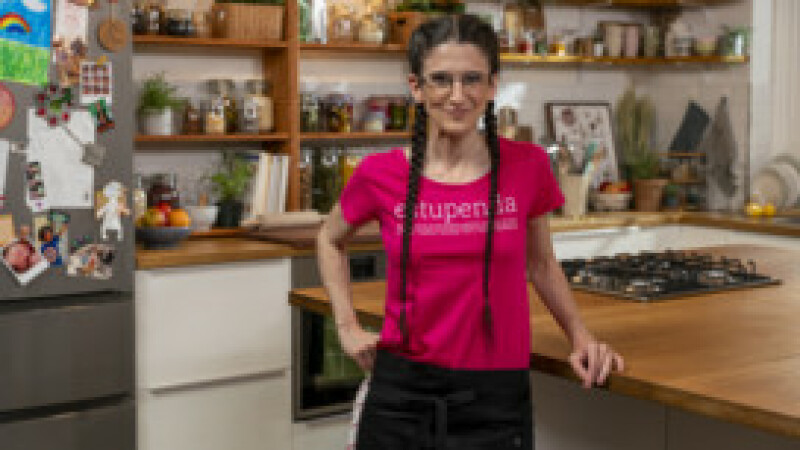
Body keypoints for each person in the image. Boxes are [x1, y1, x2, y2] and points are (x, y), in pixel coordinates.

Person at [316, 14, 624, 450]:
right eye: (441, 80)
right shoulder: (378, 173)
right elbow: (329, 239)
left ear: (493, 85)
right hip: (402, 395)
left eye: (472, 79)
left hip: (496, 399)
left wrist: (580, 336)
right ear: (416, 87)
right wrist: (346, 325)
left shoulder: (529, 165)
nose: (457, 96)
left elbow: (540, 264)